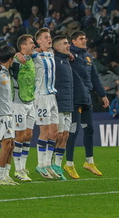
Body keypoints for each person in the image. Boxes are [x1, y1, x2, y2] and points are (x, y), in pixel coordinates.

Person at [65, 31, 109, 179]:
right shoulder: (68, 55)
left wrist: (102, 95)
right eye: (81, 38)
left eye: (85, 38)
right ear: (73, 41)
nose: (85, 40)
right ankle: (69, 163)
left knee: (89, 129)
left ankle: (89, 162)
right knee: (73, 131)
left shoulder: (88, 56)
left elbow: (95, 77)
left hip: (86, 99)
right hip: (74, 99)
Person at [0, 45, 18, 185]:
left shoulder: (6, 72)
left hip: (8, 113)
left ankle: (6, 175)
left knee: (11, 144)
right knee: (6, 144)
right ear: (10, 59)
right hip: (0, 114)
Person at [31, 27, 59, 179]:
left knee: (54, 133)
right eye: (46, 37)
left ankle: (48, 164)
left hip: (52, 95)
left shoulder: (51, 53)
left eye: (50, 36)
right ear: (39, 41)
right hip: (41, 96)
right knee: (45, 132)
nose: (50, 39)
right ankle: (40, 165)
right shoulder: (35, 54)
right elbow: (20, 55)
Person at [10, 34, 36, 182]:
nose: (33, 45)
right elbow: (4, 59)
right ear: (22, 46)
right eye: (30, 43)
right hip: (18, 102)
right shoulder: (15, 60)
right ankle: (18, 169)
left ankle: (23, 167)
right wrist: (16, 54)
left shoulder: (32, 58)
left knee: (29, 135)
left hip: (30, 101)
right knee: (20, 136)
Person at [52, 35, 73, 180]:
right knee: (58, 135)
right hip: (58, 103)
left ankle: (58, 166)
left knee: (65, 135)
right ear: (57, 47)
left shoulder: (67, 61)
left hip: (68, 103)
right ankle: (49, 163)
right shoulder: (54, 61)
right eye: (65, 43)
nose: (69, 45)